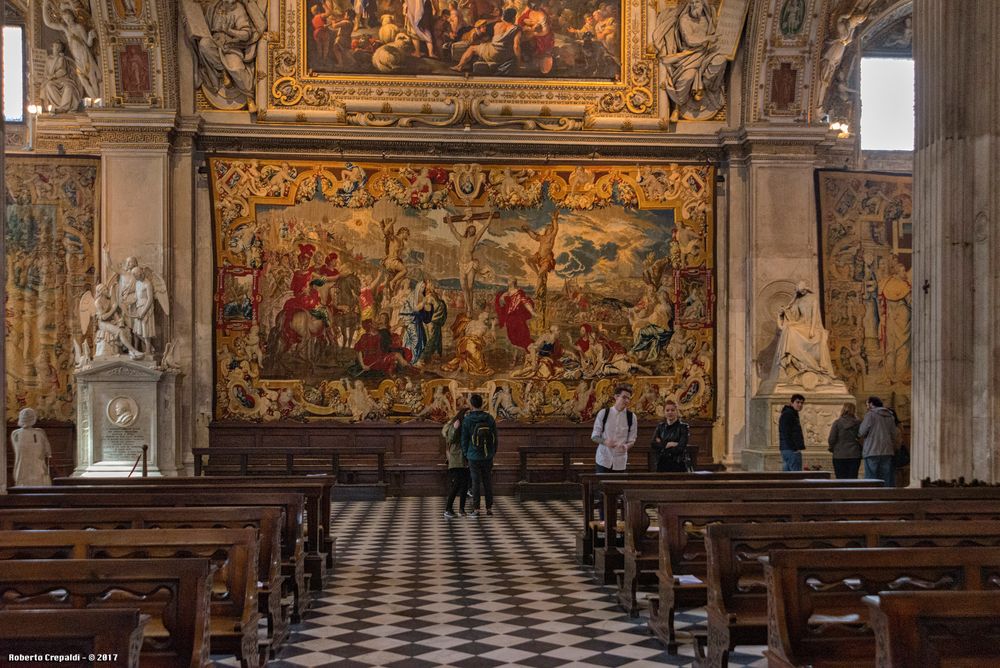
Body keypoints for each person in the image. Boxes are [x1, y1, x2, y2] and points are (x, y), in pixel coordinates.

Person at [462, 393, 498, 516]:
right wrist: (492, 452)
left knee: (475, 482)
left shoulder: (467, 419)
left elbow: (464, 439)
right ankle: (489, 508)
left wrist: (466, 454)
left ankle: (476, 509)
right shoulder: (489, 418)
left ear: (471, 405)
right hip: (487, 454)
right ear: (482, 403)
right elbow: (495, 438)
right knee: (488, 481)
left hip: (473, 455)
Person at [591, 383, 637, 472]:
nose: (626, 401)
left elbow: (632, 440)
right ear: (616, 397)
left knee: (618, 485)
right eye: (624, 397)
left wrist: (626, 446)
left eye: (628, 398)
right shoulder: (604, 413)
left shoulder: (631, 417)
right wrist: (605, 442)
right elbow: (594, 436)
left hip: (620, 461)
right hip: (603, 459)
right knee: (602, 485)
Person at [859, 395, 899, 487]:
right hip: (887, 450)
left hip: (872, 450)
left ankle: (872, 498)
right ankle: (886, 498)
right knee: (886, 478)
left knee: (871, 478)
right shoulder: (890, 416)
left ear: (871, 404)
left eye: (867, 404)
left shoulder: (870, 415)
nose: (867, 407)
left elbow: (862, 432)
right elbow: (894, 433)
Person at [10, 407, 52, 487]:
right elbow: (48, 452)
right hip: (37, 468)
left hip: (22, 470)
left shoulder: (15, 434)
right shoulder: (40, 433)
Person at [442, 406, 470, 517]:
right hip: (456, 459)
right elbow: (450, 440)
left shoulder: (467, 426)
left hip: (465, 459)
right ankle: (448, 509)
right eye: (466, 414)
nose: (468, 416)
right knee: (457, 484)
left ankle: (461, 509)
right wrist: (455, 428)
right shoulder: (455, 424)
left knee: (464, 485)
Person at [651, 398, 689, 472]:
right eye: (667, 410)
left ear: (676, 412)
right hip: (662, 463)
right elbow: (653, 444)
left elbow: (681, 447)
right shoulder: (660, 427)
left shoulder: (683, 427)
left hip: (678, 463)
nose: (670, 412)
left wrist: (662, 445)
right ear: (664, 412)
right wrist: (668, 444)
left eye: (672, 410)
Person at [827, 401, 862, 479]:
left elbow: (832, 438)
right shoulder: (858, 423)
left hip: (839, 454)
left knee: (840, 479)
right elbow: (862, 437)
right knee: (852, 479)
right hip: (854, 454)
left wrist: (832, 448)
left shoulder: (837, 423)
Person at [778, 393, 805, 471]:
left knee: (788, 477)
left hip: (787, 449)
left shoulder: (790, 413)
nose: (800, 404)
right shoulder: (788, 414)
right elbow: (786, 433)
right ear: (792, 403)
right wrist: (795, 448)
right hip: (791, 450)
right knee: (796, 477)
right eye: (797, 402)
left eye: (802, 403)